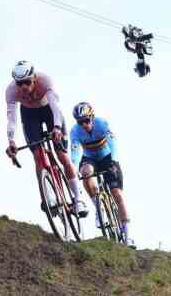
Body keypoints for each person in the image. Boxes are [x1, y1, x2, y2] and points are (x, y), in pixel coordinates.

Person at [5, 60, 88, 217]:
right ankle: (48, 196)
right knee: (37, 156)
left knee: (62, 155)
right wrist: (12, 141)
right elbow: (11, 118)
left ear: (34, 78)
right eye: (19, 83)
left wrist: (57, 127)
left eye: (27, 82)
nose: (23, 87)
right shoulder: (11, 91)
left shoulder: (45, 81)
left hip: (49, 112)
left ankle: (78, 199)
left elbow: (55, 107)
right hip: (30, 115)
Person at [70, 102, 133, 245]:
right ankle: (98, 208)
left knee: (117, 193)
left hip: (107, 157)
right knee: (85, 172)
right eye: (81, 122)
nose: (84, 125)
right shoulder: (75, 131)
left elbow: (113, 142)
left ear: (92, 117)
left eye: (86, 120)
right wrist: (74, 166)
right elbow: (74, 150)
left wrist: (114, 161)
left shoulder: (101, 123)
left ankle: (128, 234)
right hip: (90, 158)